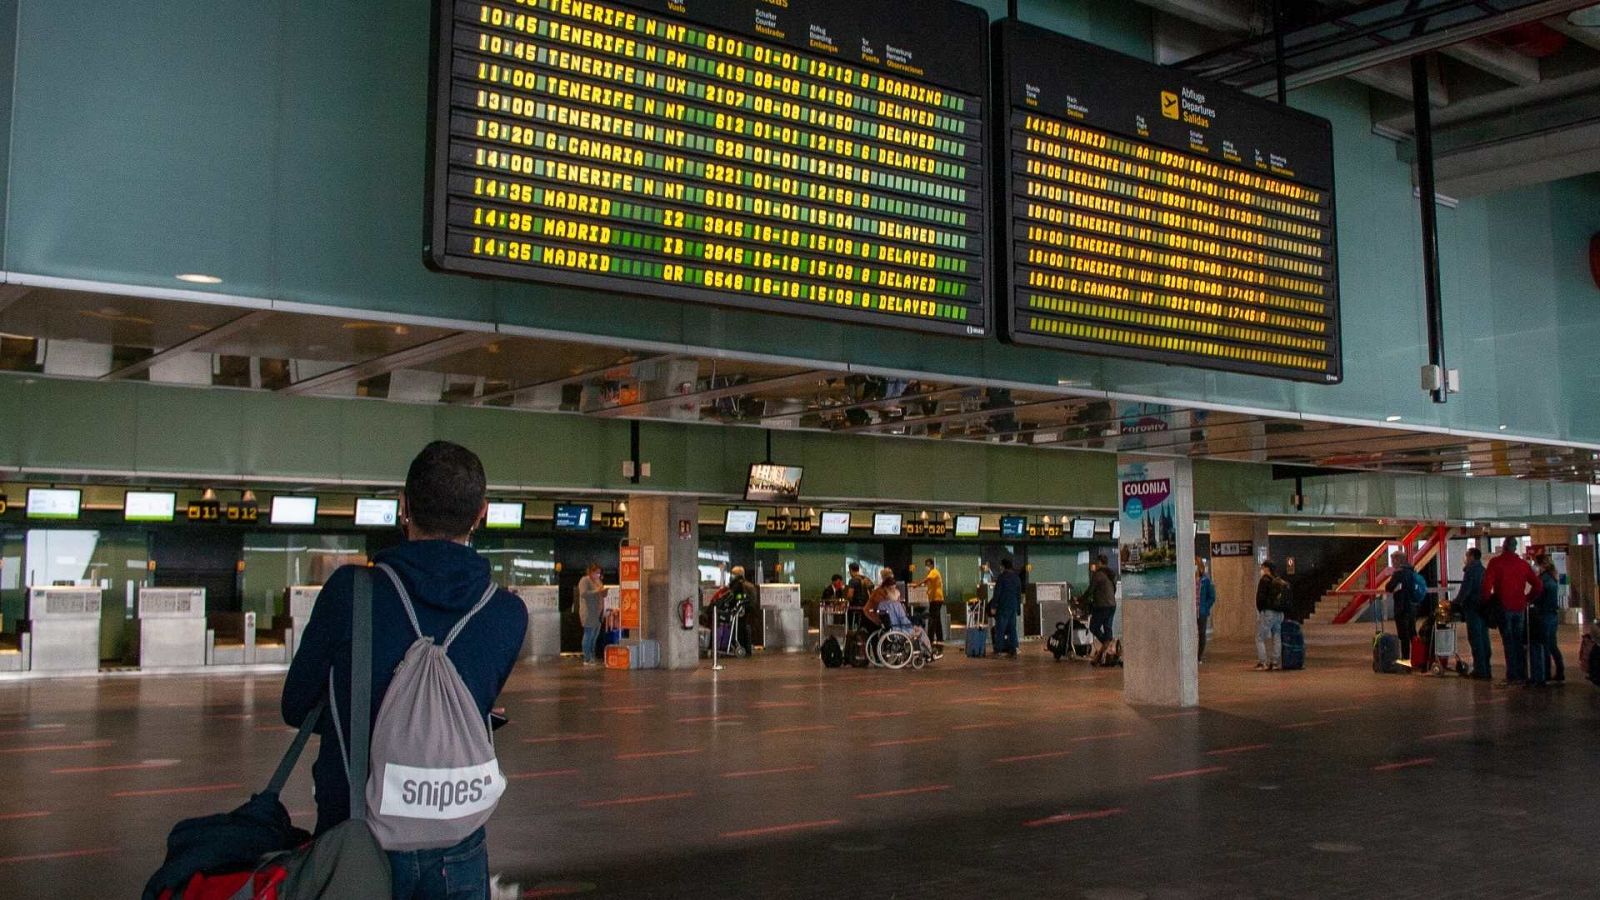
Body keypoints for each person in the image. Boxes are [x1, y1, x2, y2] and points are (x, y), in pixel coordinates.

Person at [282, 441, 526, 898]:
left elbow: (297, 706)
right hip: (459, 842)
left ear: (403, 507)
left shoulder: (350, 592)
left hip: (357, 839)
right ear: (482, 513)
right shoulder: (507, 613)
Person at [1484, 537, 1541, 686]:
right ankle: (1522, 673)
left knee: (1508, 642)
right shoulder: (1523, 564)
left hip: (1503, 607)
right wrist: (1527, 598)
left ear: (1503, 546)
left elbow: (1486, 587)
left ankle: (1512, 675)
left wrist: (1487, 601)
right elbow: (1538, 585)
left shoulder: (1495, 563)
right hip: (1520, 607)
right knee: (1519, 641)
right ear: (1515, 548)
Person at [1528, 554, 1564, 687]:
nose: (1534, 566)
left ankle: (1544, 674)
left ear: (1541, 565)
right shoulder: (1552, 578)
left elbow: (1535, 596)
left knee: (1542, 645)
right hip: (1553, 615)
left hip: (1543, 615)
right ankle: (1560, 671)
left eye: (1535, 563)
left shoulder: (1542, 580)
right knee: (1552, 645)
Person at [1456, 547, 1491, 679]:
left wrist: (1456, 603)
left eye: (1467, 556)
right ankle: (1486, 669)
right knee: (1484, 638)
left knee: (1476, 639)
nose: (1465, 559)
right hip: (1483, 607)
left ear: (1471, 557)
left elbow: (1466, 590)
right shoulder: (1483, 570)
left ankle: (1480, 670)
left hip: (1473, 608)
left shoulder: (1471, 571)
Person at [1385, 553, 1420, 661]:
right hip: (1412, 606)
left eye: (1393, 560)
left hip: (1401, 607)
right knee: (1412, 633)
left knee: (1403, 636)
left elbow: (1389, 587)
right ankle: (1418, 658)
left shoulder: (1398, 573)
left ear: (1398, 560)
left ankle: (1405, 660)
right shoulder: (1412, 572)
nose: (1392, 563)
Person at [1255, 561, 1289, 671]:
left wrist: (1261, 610)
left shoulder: (1264, 580)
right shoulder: (1279, 580)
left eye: (1263, 567)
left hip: (1268, 612)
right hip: (1279, 613)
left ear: (1267, 568)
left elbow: (1260, 598)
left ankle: (1262, 662)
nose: (1261, 570)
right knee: (1276, 636)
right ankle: (1275, 663)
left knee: (1260, 637)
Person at [1087, 555, 1117, 666]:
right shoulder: (1112, 574)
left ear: (1099, 562)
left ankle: (1107, 644)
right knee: (1107, 628)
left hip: (1102, 606)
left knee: (1093, 627)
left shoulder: (1098, 575)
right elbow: (1113, 590)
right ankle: (1108, 651)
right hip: (1112, 605)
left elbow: (1090, 590)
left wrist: (1080, 599)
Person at [990, 558, 1022, 658]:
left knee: (1000, 629)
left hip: (1003, 607)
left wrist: (993, 606)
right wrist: (1018, 609)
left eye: (1001, 566)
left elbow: (997, 593)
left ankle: (998, 650)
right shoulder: (1016, 578)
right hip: (1013, 607)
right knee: (1012, 629)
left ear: (1003, 566)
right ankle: (1013, 649)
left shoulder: (1001, 578)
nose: (1000, 567)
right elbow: (1018, 595)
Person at [577, 563, 606, 665]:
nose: (598, 575)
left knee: (594, 636)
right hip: (588, 612)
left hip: (597, 612)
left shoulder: (598, 581)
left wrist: (602, 591)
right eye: (596, 573)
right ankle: (587, 657)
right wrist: (596, 591)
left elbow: (602, 594)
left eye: (599, 573)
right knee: (588, 634)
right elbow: (583, 593)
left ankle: (592, 655)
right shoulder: (584, 580)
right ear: (590, 572)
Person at [912, 558, 946, 647]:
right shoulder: (932, 572)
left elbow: (926, 580)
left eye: (927, 565)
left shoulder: (934, 572)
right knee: (937, 620)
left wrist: (917, 585)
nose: (926, 567)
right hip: (935, 599)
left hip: (936, 599)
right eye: (926, 565)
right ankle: (940, 638)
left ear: (931, 565)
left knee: (932, 619)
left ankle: (930, 639)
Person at [1196, 558, 1216, 663]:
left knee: (1201, 633)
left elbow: (1212, 596)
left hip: (1202, 611)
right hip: (1191, 612)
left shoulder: (1206, 580)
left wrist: (1205, 606)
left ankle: (1199, 656)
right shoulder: (1187, 580)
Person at [845, 562, 874, 632]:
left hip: (856, 606)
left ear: (851, 570)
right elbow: (872, 591)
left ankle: (851, 630)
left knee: (848, 611)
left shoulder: (852, 580)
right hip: (866, 606)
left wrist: (847, 600)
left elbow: (850, 595)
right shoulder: (867, 579)